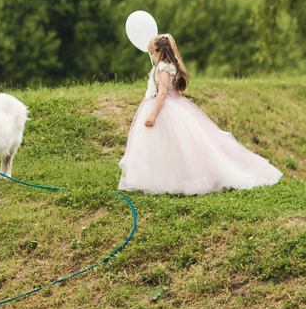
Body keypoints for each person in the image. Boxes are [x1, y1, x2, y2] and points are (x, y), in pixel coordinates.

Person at [118, 34, 282, 195]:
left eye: (152, 53)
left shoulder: (162, 67)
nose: (151, 56)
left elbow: (162, 94)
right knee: (175, 146)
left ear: (160, 52)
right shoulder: (173, 66)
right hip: (176, 107)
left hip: (162, 108)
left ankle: (163, 179)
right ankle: (170, 177)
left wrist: (153, 114)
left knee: (162, 146)